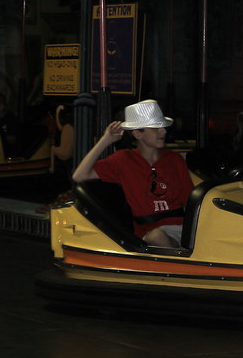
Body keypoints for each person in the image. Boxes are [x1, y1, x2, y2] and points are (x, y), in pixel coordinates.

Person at [72, 99, 194, 247]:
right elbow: (79, 175)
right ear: (137, 133)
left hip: (184, 227)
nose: (163, 131)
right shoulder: (123, 160)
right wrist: (106, 140)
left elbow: (190, 199)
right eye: (156, 128)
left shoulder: (174, 159)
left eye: (162, 127)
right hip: (152, 231)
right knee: (157, 237)